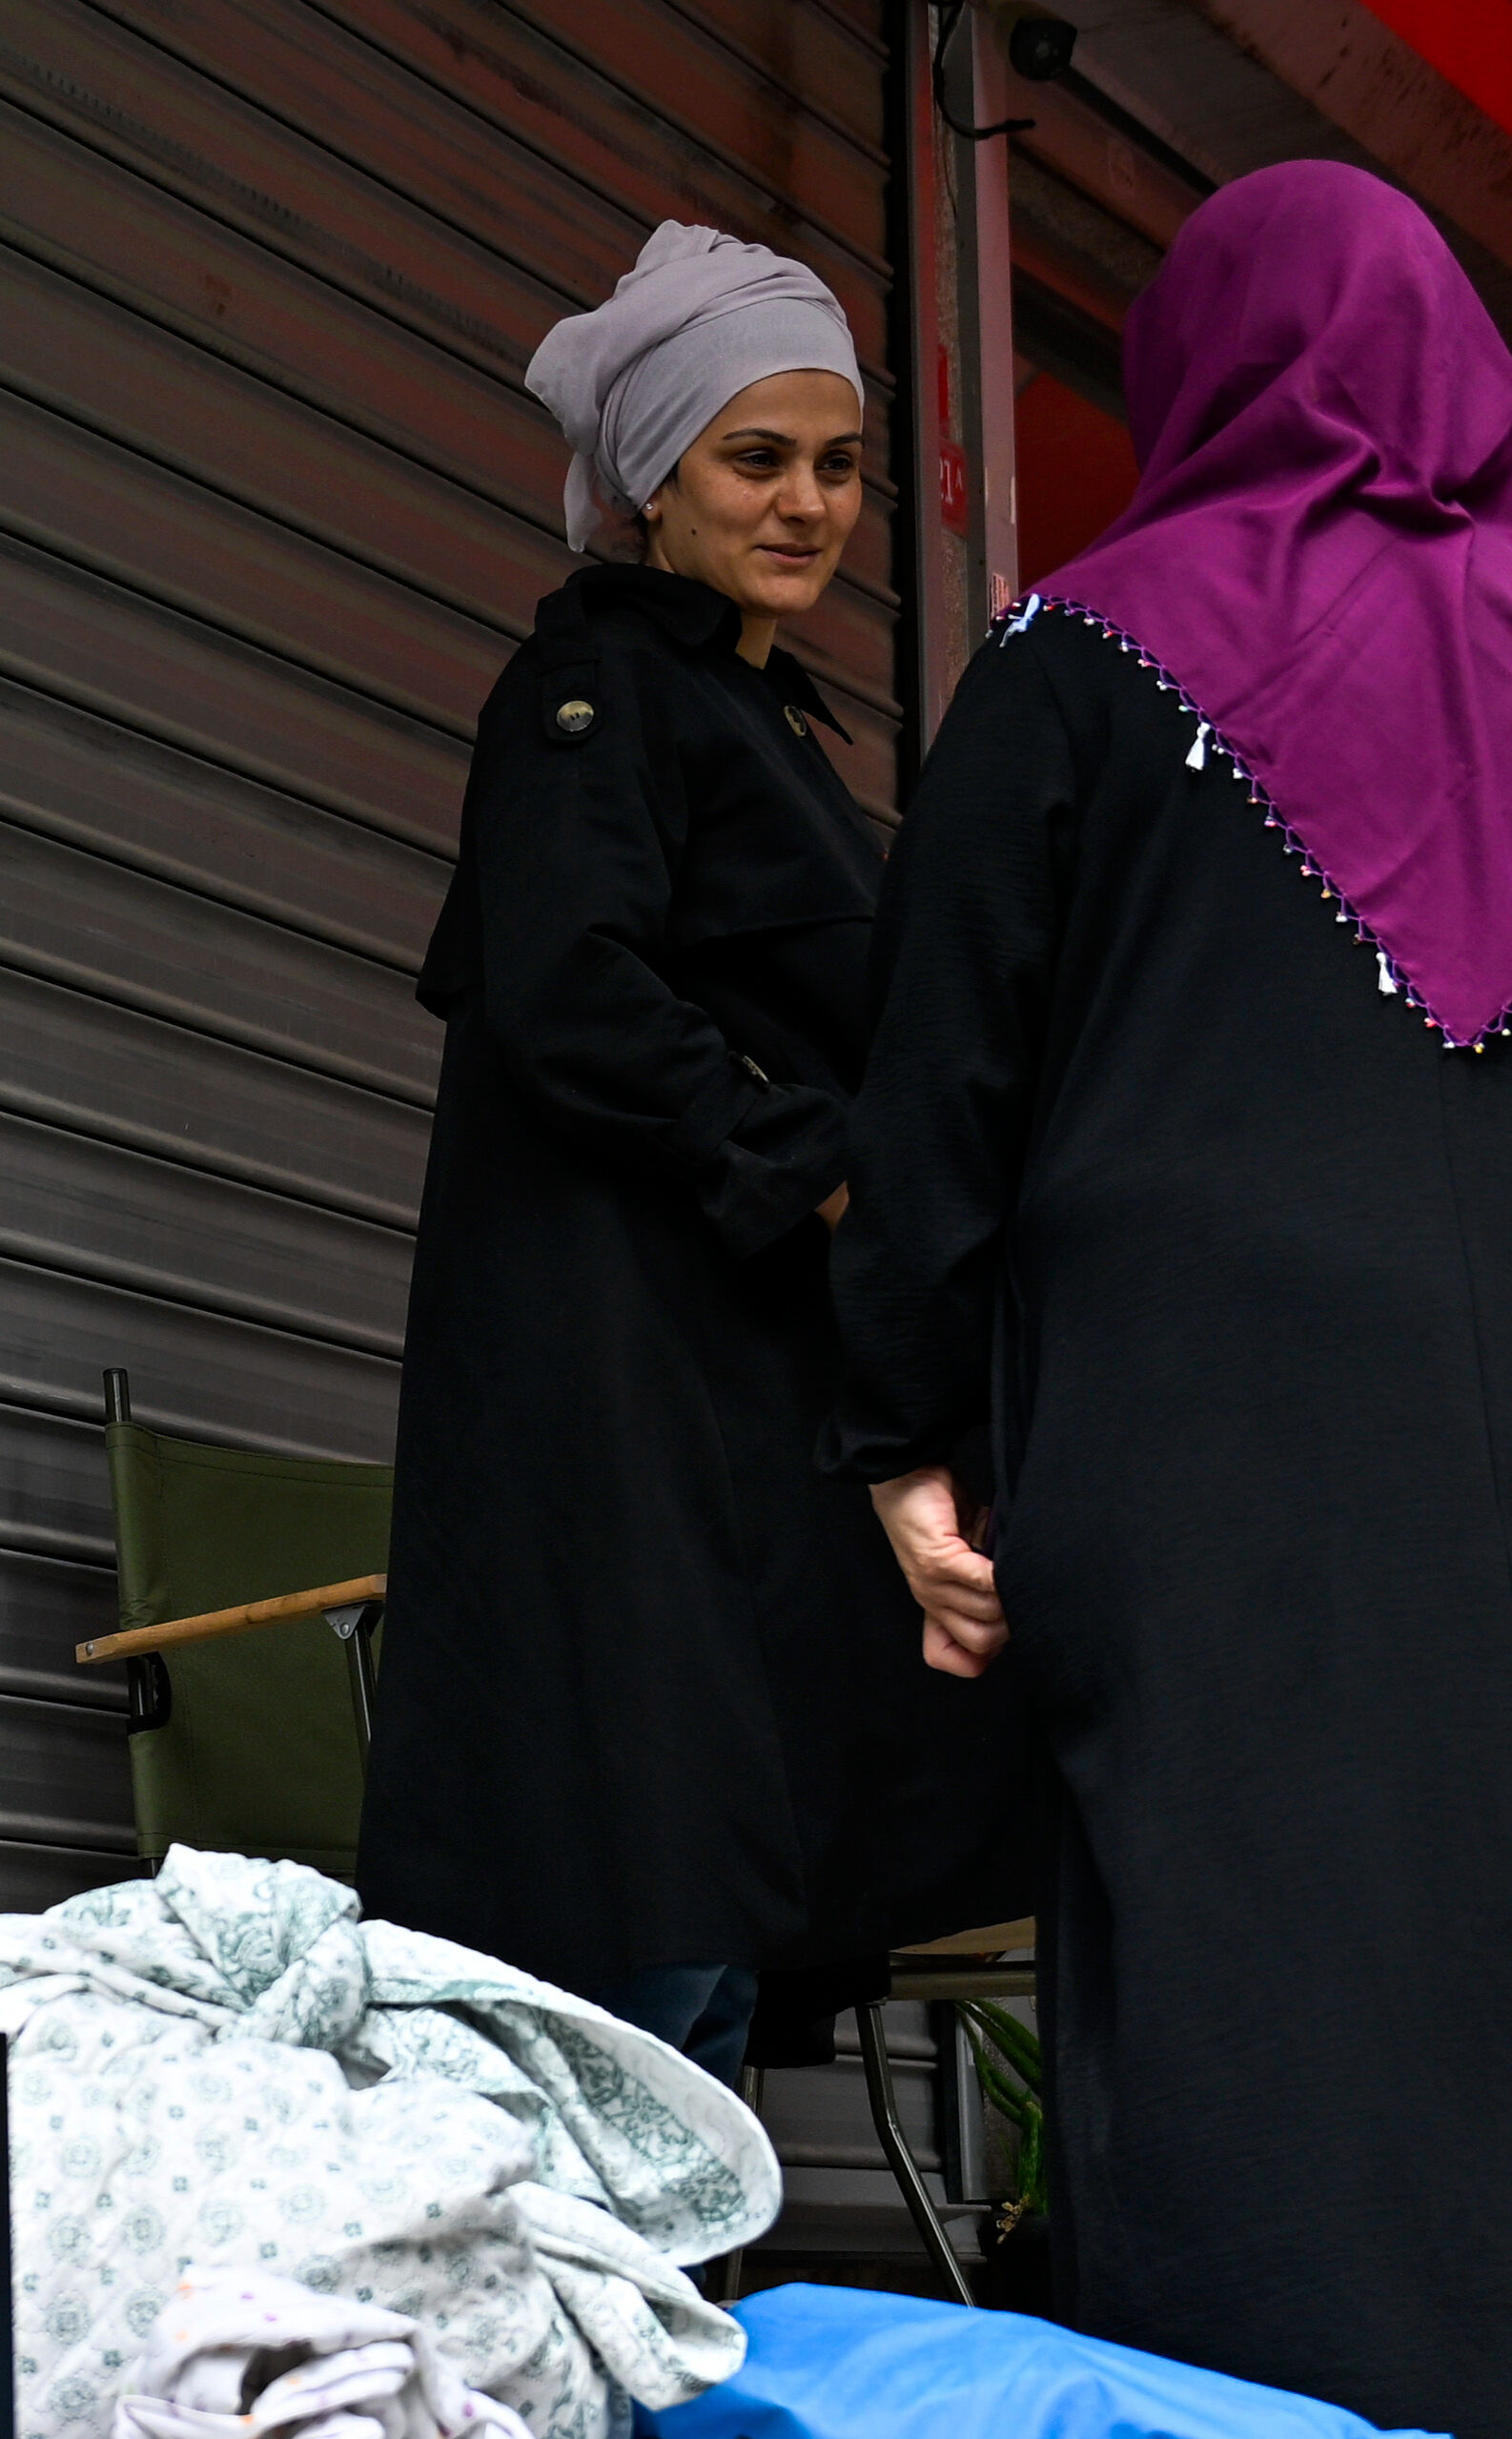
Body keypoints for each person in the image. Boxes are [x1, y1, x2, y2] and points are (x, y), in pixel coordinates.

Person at [829, 162, 1512, 2439]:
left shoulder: (1081, 653)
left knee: (1226, 1942)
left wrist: (904, 1432)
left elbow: (940, 1077)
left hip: (1214, 1395)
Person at [356, 223, 1032, 2083]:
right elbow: (568, 990)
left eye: (835, 463)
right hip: (625, 1400)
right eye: (758, 458)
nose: (809, 502)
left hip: (737, 1410)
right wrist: (815, 1167)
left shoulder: (754, 710)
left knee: (711, 1892)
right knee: (632, 1897)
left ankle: (668, 2329)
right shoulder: (591, 700)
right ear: (651, 479)